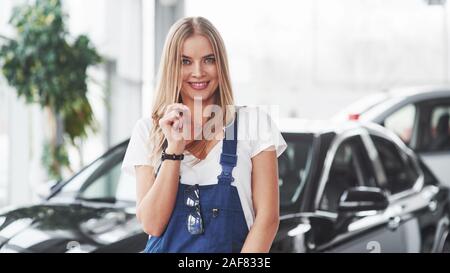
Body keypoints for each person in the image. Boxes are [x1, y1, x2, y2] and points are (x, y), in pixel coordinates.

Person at [121, 16, 287, 253]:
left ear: (221, 64)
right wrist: (174, 150)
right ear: (171, 67)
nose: (198, 72)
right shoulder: (148, 130)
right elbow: (152, 224)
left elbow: (268, 219)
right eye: (185, 61)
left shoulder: (254, 124)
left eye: (209, 60)